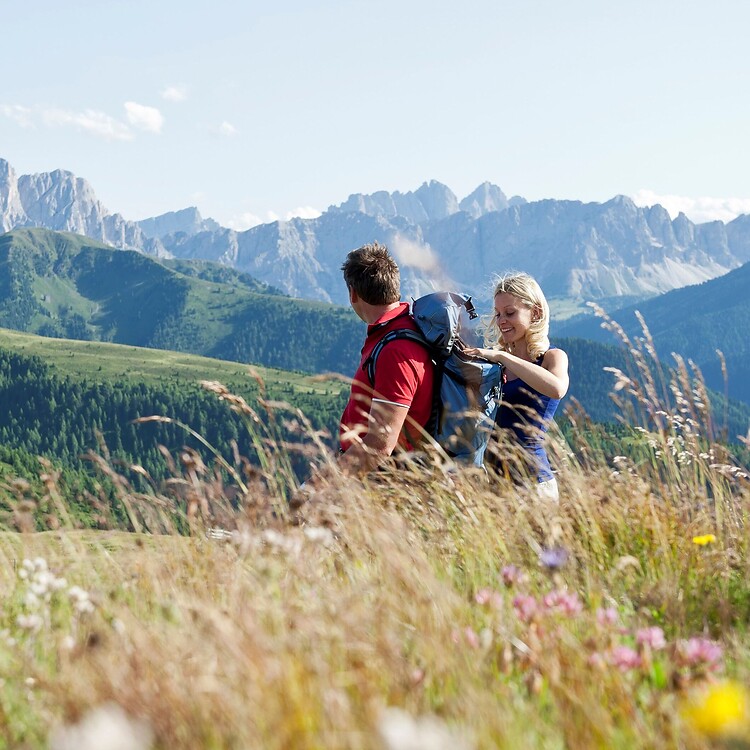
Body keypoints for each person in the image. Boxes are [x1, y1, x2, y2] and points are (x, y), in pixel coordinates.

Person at [292, 242, 434, 504]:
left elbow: (380, 445)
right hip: (369, 478)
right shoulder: (397, 333)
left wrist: (317, 488)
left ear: (352, 293)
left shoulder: (396, 350)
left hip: (379, 486)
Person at [462, 272, 569, 500]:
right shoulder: (495, 366)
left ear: (536, 312)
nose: (501, 321)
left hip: (533, 483)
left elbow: (557, 388)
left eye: (510, 313)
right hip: (494, 482)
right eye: (498, 314)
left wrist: (503, 357)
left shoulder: (552, 358)